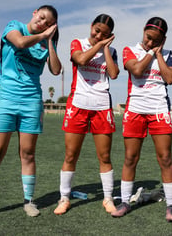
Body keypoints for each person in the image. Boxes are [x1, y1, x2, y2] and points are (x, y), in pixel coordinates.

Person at [0, 5, 62, 222]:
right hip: (4, 98)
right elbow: (20, 43)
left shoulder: (46, 40)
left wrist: (50, 41)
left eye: (48, 23)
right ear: (34, 13)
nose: (43, 23)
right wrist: (42, 34)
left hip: (31, 101)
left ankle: (28, 201)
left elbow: (56, 69)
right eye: (41, 18)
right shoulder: (15, 26)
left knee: (28, 153)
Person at [110, 17, 172, 222]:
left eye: (155, 41)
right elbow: (137, 70)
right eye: (148, 38)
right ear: (143, 31)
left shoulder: (168, 54)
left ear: (163, 40)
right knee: (131, 158)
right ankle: (124, 202)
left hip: (160, 111)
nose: (150, 42)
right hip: (135, 110)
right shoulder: (129, 50)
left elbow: (170, 78)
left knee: (165, 158)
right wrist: (151, 52)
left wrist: (159, 54)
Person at [54, 14, 119, 215]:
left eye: (104, 34)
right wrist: (99, 45)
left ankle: (108, 198)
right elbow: (81, 59)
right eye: (97, 30)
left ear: (110, 36)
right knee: (71, 154)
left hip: (101, 107)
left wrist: (106, 47)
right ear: (91, 26)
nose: (99, 35)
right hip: (78, 105)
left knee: (105, 156)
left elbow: (114, 74)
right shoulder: (78, 43)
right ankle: (64, 198)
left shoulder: (112, 50)